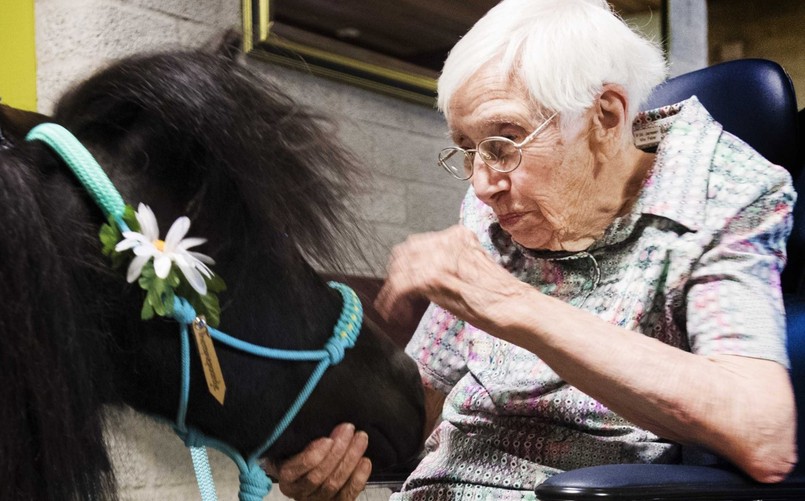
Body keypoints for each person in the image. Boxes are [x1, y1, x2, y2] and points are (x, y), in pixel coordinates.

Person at [266, 0, 798, 498]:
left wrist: (514, 306)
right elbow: (422, 407)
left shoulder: (723, 191)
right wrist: (333, 447)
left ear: (606, 116)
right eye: (468, 150)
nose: (480, 183)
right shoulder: (500, 207)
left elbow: (762, 433)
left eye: (502, 143)